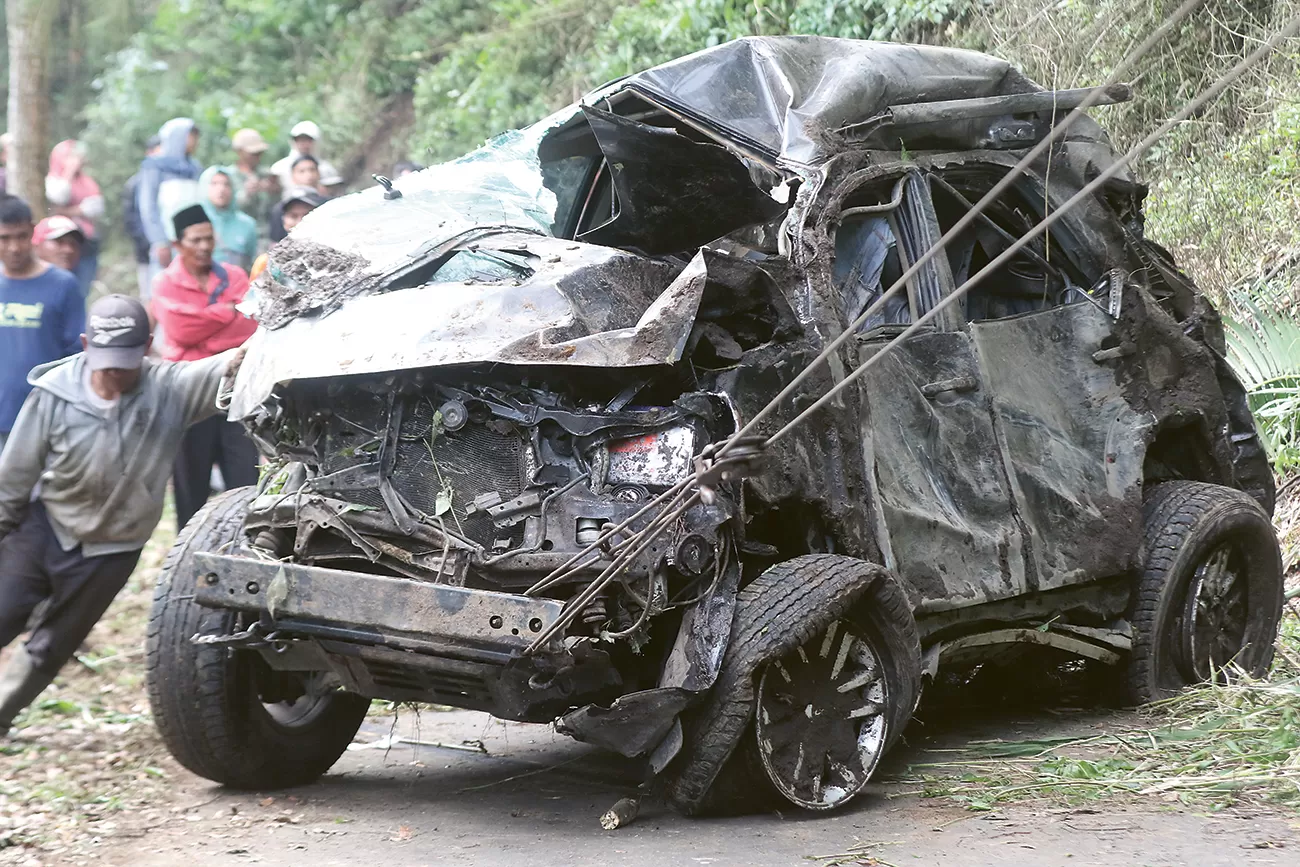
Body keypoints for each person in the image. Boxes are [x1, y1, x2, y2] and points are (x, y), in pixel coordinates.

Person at [0, 294, 244, 736]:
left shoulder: (170, 388)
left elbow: (230, 364)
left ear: (148, 346)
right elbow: (12, 478)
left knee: (51, 645)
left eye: (126, 362)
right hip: (47, 526)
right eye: (105, 361)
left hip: (113, 549)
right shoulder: (54, 392)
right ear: (84, 343)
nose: (114, 373)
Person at [150, 204, 258, 530]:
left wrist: (200, 331)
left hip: (234, 392)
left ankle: (245, 552)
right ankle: (189, 558)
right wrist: (227, 314)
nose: (204, 246)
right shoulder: (165, 283)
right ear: (178, 244)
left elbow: (249, 328)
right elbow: (180, 329)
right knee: (190, 490)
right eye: (195, 240)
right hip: (188, 397)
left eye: (208, 238)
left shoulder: (235, 276)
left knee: (244, 484)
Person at [0, 196, 83, 455]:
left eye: (21, 236)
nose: (14, 247)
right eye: (4, 238)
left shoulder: (62, 285)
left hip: (44, 420)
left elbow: (76, 357)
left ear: (33, 232)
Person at [136, 118, 202, 299]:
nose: (194, 142)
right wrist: (159, 241)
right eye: (190, 136)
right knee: (162, 292)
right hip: (166, 240)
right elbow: (147, 206)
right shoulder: (154, 167)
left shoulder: (195, 168)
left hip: (191, 241)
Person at [122, 136, 162, 299]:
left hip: (166, 250)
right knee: (148, 295)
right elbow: (131, 218)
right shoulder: (135, 183)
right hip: (145, 251)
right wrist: (149, 242)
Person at [199, 167, 257, 271]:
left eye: (226, 184)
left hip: (237, 284)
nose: (221, 189)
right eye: (214, 183)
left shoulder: (247, 224)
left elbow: (252, 263)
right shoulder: (194, 222)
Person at [228, 128, 278, 228]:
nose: (258, 156)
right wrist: (246, 193)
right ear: (239, 152)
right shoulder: (228, 176)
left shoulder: (267, 174)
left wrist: (274, 190)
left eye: (260, 153)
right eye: (253, 153)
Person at [270, 121, 338, 191]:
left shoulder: (327, 170)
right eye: (299, 140)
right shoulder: (279, 169)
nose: (303, 144)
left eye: (308, 140)